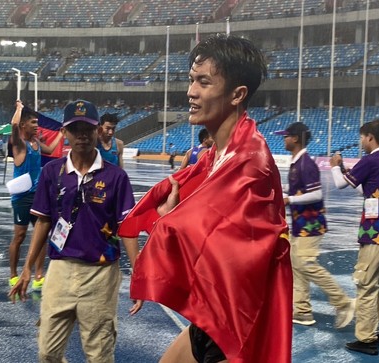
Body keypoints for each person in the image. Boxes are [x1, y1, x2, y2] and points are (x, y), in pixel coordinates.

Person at [118, 34, 291, 362]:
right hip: (214, 316)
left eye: (203, 82)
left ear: (237, 94)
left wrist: (165, 220)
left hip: (238, 324)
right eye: (191, 80)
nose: (191, 92)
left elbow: (204, 236)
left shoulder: (250, 162)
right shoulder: (218, 155)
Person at [9, 99, 142, 362]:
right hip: (60, 270)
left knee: (99, 353)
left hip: (101, 273)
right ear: (64, 133)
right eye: (74, 128)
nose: (81, 134)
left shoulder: (116, 177)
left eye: (88, 128)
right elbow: (44, 222)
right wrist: (27, 269)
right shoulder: (51, 172)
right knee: (47, 351)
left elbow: (127, 229)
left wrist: (138, 272)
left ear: (97, 131)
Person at [330, 118, 379, 356]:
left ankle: (366, 338)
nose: (361, 142)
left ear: (370, 136)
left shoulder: (371, 160)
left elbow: (339, 184)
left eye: (362, 137)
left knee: (367, 284)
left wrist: (335, 165)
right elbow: (366, 188)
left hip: (375, 232)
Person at [276, 122, 354, 328]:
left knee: (307, 264)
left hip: (310, 225)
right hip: (301, 224)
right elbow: (296, 188)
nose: (283, 139)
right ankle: (302, 311)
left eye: (286, 136)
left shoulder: (306, 164)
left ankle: (343, 302)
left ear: (295, 138)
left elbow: (317, 193)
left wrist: (289, 200)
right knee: (297, 265)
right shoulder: (296, 163)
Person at [8, 100, 62, 290]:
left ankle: (39, 275)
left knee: (41, 235)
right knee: (20, 236)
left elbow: (51, 149)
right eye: (33, 123)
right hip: (22, 197)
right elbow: (13, 125)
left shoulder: (36, 142)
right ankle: (13, 274)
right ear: (24, 125)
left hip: (39, 196)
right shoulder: (19, 144)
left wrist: (61, 134)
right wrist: (19, 109)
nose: (37, 126)